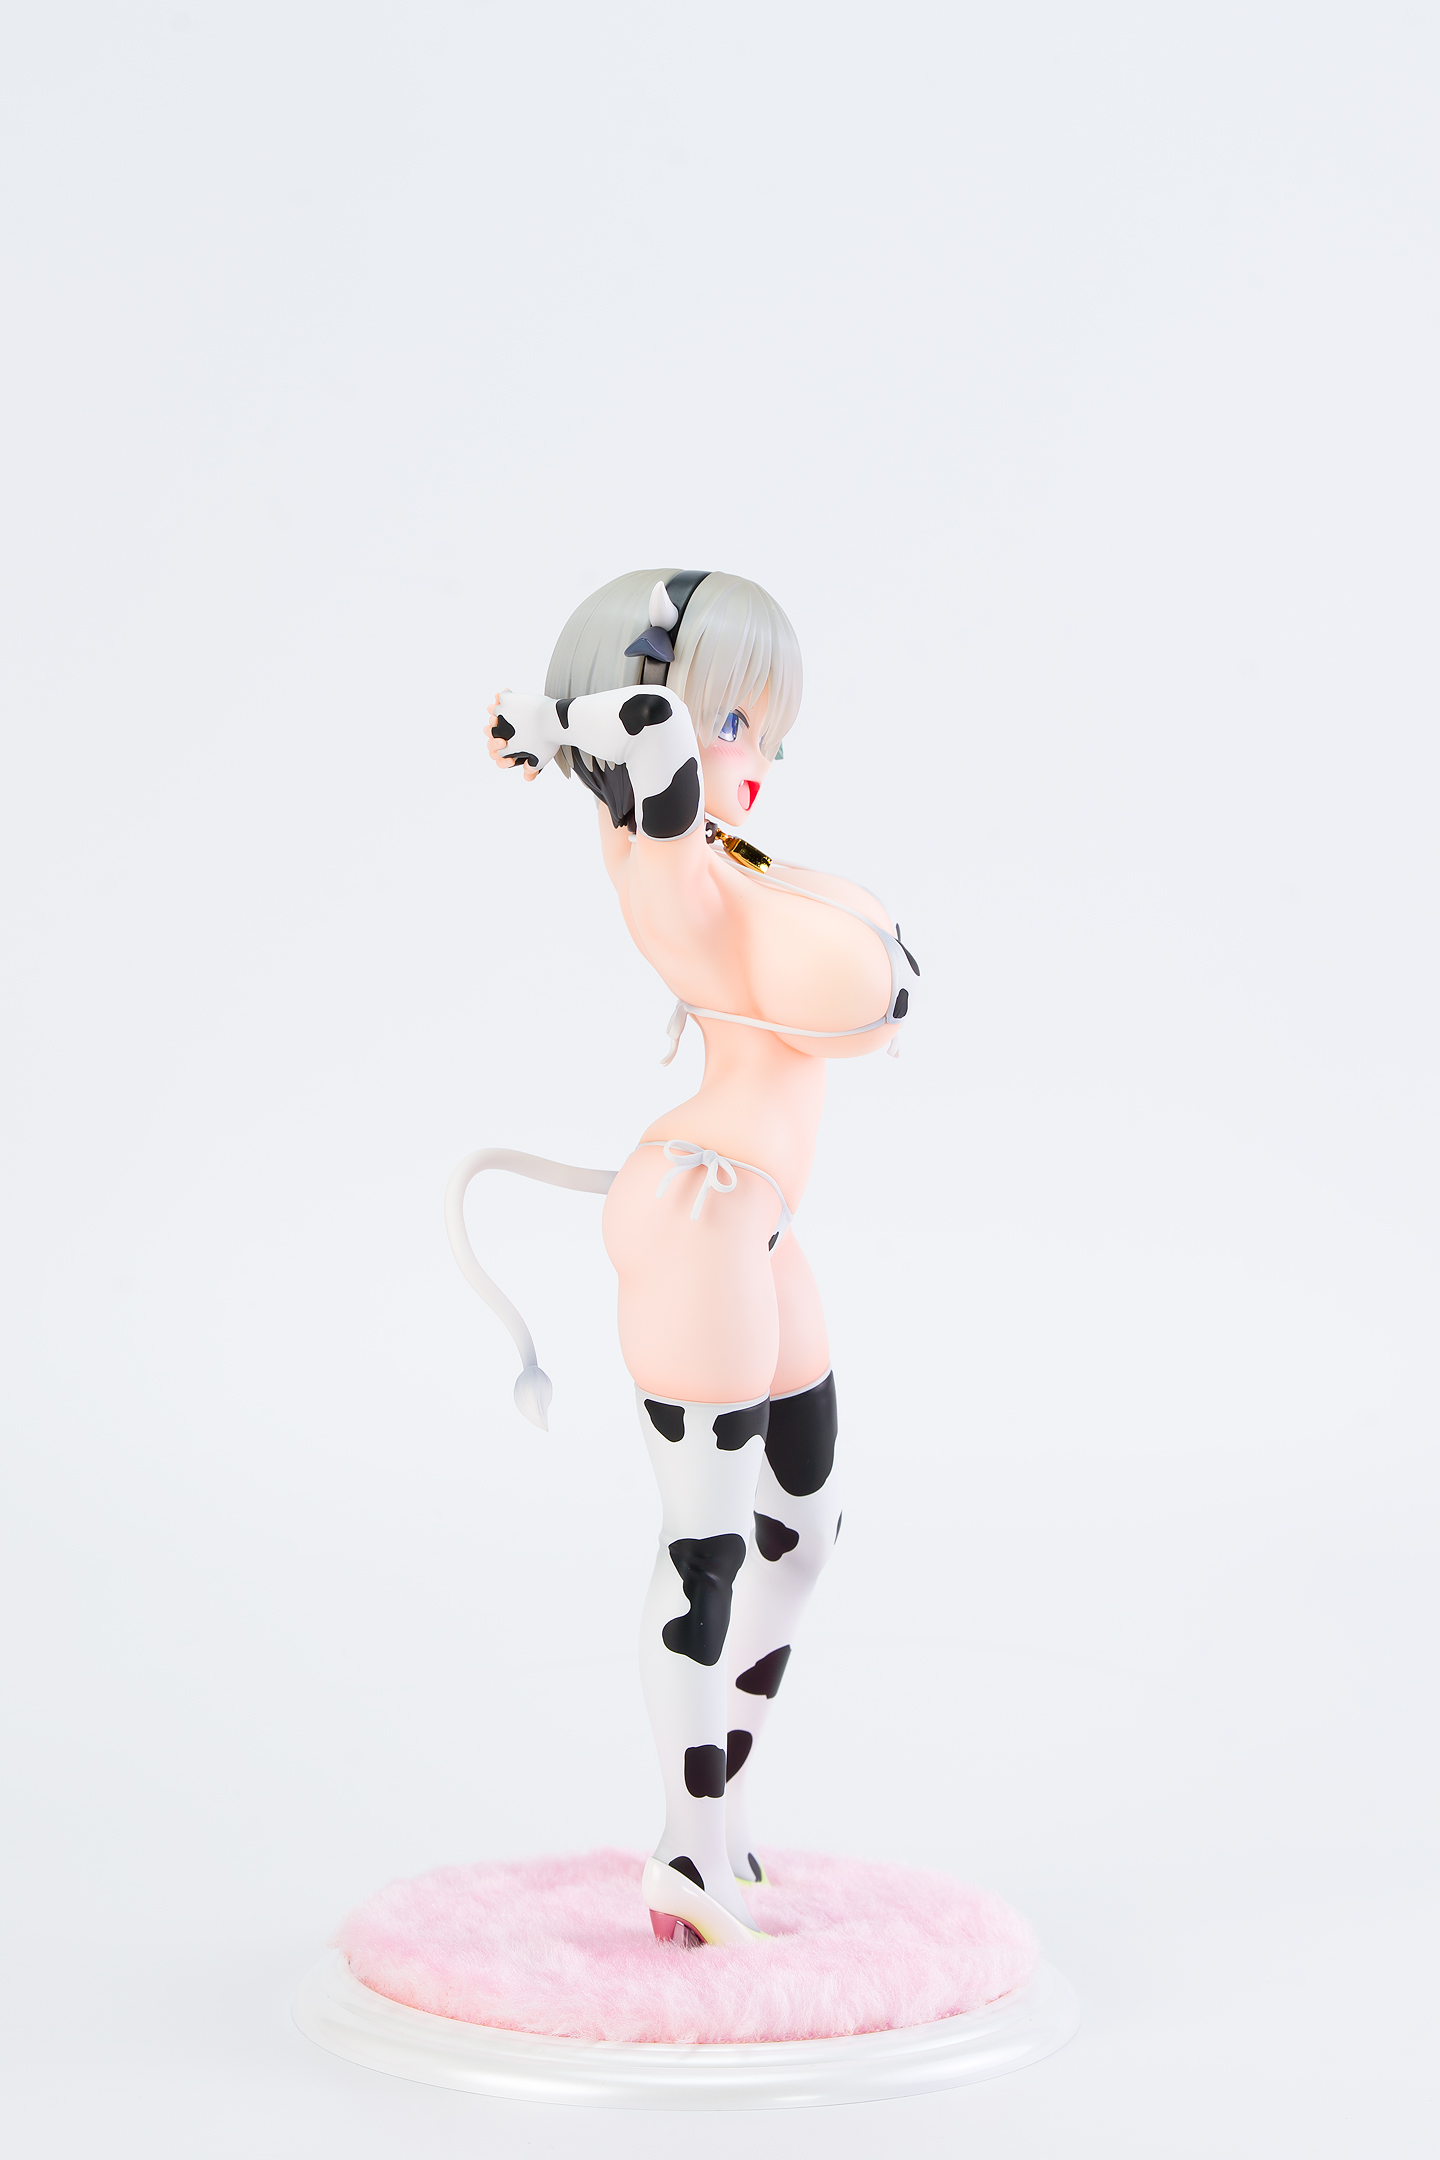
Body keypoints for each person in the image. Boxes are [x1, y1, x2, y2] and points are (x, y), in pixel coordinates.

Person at [486, 569, 917, 1947]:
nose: (754, 756)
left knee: (805, 1533)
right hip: (702, 1214)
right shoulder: (660, 859)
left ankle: (715, 1828)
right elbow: (646, 732)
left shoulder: (729, 860)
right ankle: (686, 1849)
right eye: (736, 722)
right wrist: (559, 730)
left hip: (758, 1216)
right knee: (709, 1547)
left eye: (768, 730)